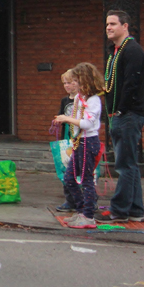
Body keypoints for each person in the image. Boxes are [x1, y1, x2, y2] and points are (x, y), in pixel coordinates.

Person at [98, 10, 144, 223]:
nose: (108, 27)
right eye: (107, 24)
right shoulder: (115, 52)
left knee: (124, 165)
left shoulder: (132, 50)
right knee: (130, 164)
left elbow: (131, 83)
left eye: (113, 24)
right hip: (120, 114)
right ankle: (135, 210)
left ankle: (119, 210)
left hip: (127, 115)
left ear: (125, 26)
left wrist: (119, 110)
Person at [53, 62, 105, 229]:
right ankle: (82, 210)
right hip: (79, 141)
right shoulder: (79, 98)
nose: (74, 84)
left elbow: (88, 123)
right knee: (69, 178)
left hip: (88, 142)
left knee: (86, 179)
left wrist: (66, 119)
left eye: (77, 80)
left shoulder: (94, 100)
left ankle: (88, 215)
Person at [54, 70, 79, 214]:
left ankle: (86, 199)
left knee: (82, 170)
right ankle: (70, 200)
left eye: (70, 82)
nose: (67, 86)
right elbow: (61, 115)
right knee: (66, 167)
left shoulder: (83, 99)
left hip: (79, 136)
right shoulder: (65, 100)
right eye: (65, 83)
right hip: (67, 136)